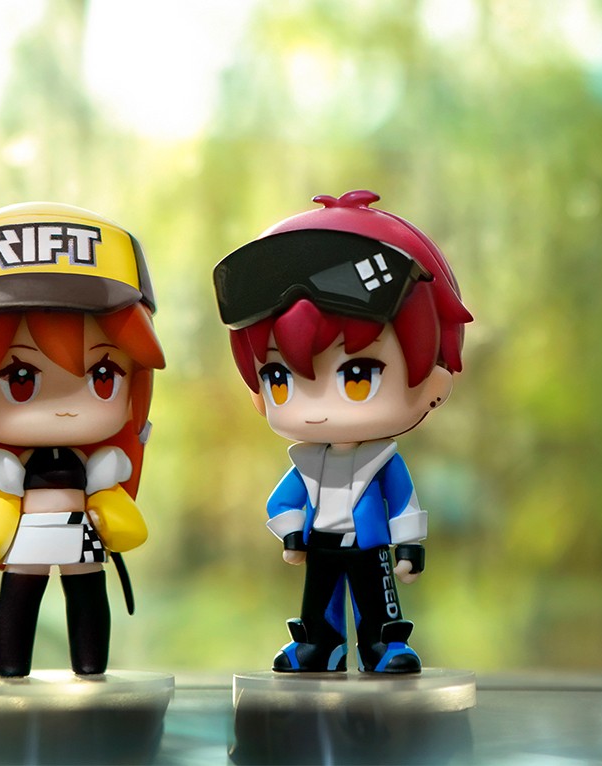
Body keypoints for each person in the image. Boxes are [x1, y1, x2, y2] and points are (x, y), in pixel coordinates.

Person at [213, 190, 473, 673]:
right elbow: (282, 502)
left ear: (433, 383)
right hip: (321, 543)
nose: (317, 411)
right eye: (278, 377)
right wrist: (292, 535)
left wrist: (409, 546)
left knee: (377, 599)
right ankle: (320, 644)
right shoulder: (306, 463)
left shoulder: (383, 463)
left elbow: (403, 502)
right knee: (319, 600)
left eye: (357, 376)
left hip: (370, 545)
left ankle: (382, 645)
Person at [0, 202, 165, 677]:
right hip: (28, 537)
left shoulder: (99, 466)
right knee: (21, 594)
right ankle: (10, 669)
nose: (64, 407)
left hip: (81, 532)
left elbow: (112, 492)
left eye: (102, 375)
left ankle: (90, 666)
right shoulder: (4, 470)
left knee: (87, 591)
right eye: (20, 379)